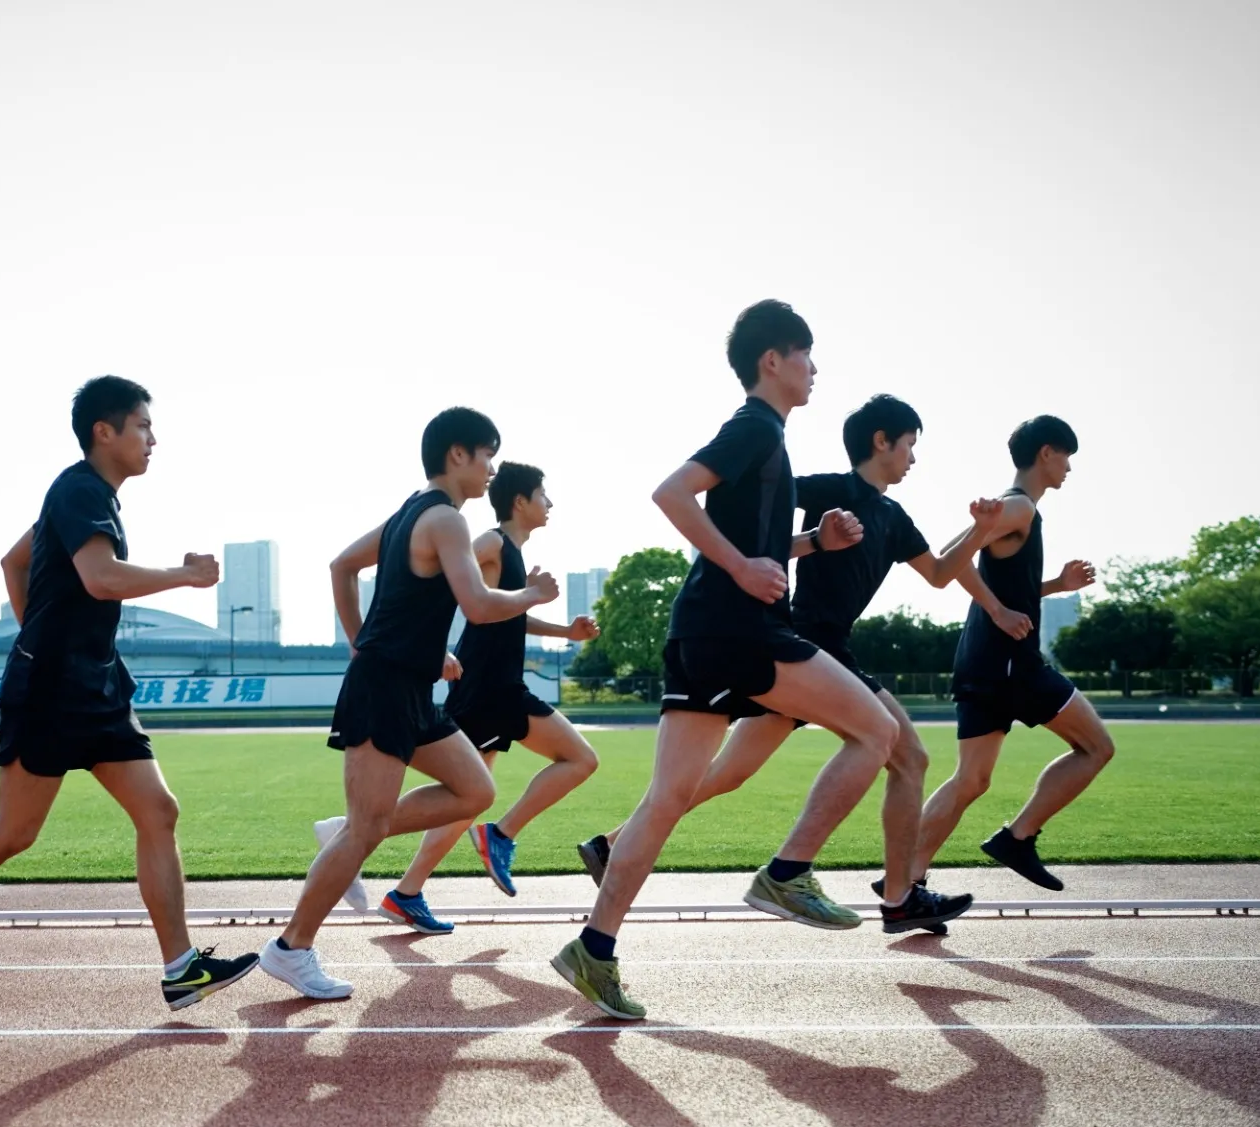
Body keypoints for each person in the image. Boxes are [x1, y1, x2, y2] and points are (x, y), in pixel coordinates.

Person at [0, 376, 259, 1011]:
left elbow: (15, 562)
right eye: (143, 426)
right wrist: (183, 576)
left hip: (94, 685)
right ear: (106, 431)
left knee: (159, 810)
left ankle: (180, 966)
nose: (154, 438)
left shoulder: (87, 497)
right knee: (13, 834)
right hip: (50, 691)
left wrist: (39, 629)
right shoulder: (78, 489)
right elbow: (99, 579)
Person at [551, 299, 897, 1022]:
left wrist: (810, 546)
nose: (814, 370)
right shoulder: (754, 426)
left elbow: (758, 543)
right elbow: (670, 492)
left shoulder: (770, 441)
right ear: (772, 360)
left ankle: (595, 948)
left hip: (704, 631)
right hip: (741, 630)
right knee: (878, 730)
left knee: (666, 798)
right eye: (806, 355)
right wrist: (743, 567)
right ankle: (787, 871)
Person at [576, 394, 1006, 934]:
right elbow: (756, 522)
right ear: (882, 442)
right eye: (910, 447)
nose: (913, 460)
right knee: (907, 754)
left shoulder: (895, 518)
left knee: (730, 774)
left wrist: (982, 531)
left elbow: (941, 574)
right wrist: (803, 543)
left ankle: (609, 845)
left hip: (818, 648)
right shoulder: (826, 487)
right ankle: (889, 895)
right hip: (798, 642)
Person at [259, 408, 559, 998]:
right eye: (487, 455)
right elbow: (476, 604)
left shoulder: (408, 514)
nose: (492, 469)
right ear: (458, 455)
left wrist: (377, 642)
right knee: (367, 830)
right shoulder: (444, 517)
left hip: (410, 685)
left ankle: (344, 831)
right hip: (384, 687)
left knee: (475, 791)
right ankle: (290, 947)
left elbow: (343, 566)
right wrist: (532, 594)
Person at [357, 461, 601, 935]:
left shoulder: (509, 554)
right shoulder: (491, 542)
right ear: (520, 502)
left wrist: (563, 631)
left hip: (489, 684)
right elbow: (443, 582)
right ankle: (498, 834)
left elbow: (503, 612)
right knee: (580, 759)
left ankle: (404, 889)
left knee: (464, 798)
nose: (550, 505)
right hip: (490, 686)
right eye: (544, 496)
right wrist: (434, 646)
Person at [910, 415, 1113, 890]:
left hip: (982, 659)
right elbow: (949, 560)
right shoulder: (1019, 508)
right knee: (1096, 746)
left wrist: (1055, 587)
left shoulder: (1018, 510)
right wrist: (999, 611)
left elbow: (984, 573)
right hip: (1009, 663)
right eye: (1066, 457)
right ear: (1047, 453)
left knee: (971, 780)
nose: (1068, 468)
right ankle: (1018, 838)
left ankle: (905, 878)